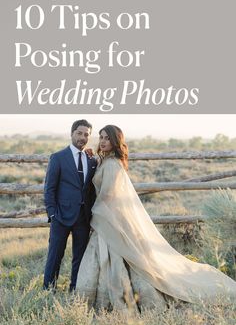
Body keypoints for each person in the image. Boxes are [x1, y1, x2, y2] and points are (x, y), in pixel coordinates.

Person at [75, 125, 236, 312]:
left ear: (116, 141)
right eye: (101, 137)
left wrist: (94, 216)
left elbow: (108, 196)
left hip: (109, 217)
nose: (102, 141)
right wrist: (91, 157)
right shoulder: (106, 160)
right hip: (108, 216)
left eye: (107, 138)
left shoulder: (112, 164)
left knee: (120, 258)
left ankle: (117, 301)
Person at [43, 119, 97, 292]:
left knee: (79, 257)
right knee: (55, 256)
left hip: (83, 217)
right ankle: (48, 290)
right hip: (60, 216)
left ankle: (75, 289)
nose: (82, 137)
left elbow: (90, 190)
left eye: (86, 134)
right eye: (79, 133)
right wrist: (52, 214)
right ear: (72, 133)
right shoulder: (58, 157)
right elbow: (49, 189)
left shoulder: (91, 160)